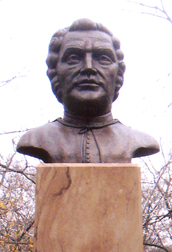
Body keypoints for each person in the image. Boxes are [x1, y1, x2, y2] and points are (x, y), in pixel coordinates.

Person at [17, 18, 159, 163]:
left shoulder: (138, 141)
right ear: (55, 70)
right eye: (73, 58)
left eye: (103, 58)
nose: (88, 67)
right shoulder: (35, 139)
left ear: (119, 72)